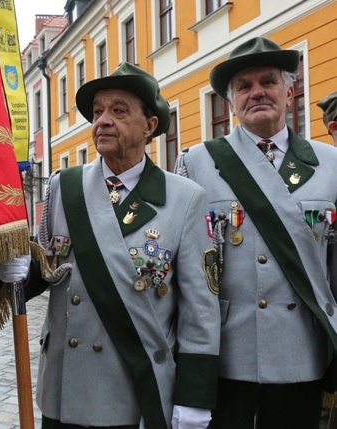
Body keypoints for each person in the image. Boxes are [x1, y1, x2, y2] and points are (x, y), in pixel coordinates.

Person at [28, 62, 221, 429]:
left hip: (136, 383)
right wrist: (19, 270)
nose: (102, 120)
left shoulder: (185, 198)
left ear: (149, 126)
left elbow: (200, 308)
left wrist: (194, 397)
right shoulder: (62, 187)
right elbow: (48, 268)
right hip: (66, 382)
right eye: (98, 111)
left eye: (118, 110)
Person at [175, 36, 337, 429]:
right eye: (244, 86)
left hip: (304, 352)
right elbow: (188, 277)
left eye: (268, 81)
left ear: (290, 90)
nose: (257, 92)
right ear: (231, 102)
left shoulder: (330, 164)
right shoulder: (196, 164)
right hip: (228, 354)